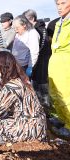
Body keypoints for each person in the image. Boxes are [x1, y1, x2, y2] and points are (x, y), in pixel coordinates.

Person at [0, 51, 47, 143]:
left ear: (2, 70)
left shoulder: (10, 87)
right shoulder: (23, 80)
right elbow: (8, 97)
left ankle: (11, 141)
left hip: (30, 130)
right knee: (6, 113)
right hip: (39, 126)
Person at [23, 9, 52, 111]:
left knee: (42, 85)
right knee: (36, 85)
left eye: (26, 21)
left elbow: (40, 48)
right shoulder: (37, 29)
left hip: (42, 62)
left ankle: (46, 110)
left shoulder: (39, 29)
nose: (25, 24)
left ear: (32, 19)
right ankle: (41, 108)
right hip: (37, 62)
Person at [49, 0, 70, 129]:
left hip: (66, 63)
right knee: (55, 93)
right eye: (57, 4)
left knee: (67, 95)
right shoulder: (58, 23)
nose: (59, 7)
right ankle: (62, 118)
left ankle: (69, 126)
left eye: (63, 3)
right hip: (55, 62)